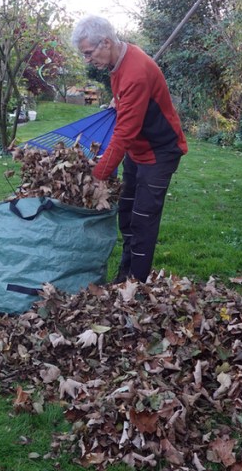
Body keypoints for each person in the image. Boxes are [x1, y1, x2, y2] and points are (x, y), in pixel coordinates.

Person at [71, 15, 188, 283]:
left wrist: (98, 174)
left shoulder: (135, 71)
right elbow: (128, 103)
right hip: (138, 151)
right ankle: (125, 276)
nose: (88, 60)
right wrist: (119, 100)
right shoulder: (120, 61)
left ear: (106, 43)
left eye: (89, 53)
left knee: (142, 221)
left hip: (159, 152)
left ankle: (135, 287)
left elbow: (125, 133)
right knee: (127, 213)